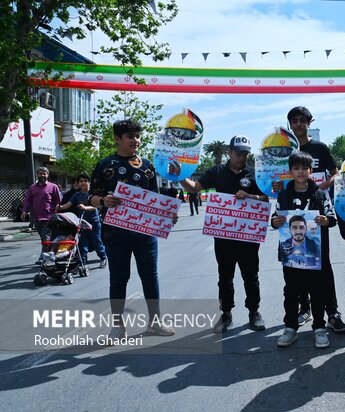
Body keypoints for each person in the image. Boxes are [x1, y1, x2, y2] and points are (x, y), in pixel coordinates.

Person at [89, 119, 177, 340]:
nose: (136, 140)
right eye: (130, 136)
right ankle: (118, 326)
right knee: (118, 278)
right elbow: (90, 197)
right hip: (114, 233)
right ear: (117, 139)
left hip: (145, 233)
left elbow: (154, 199)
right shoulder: (105, 165)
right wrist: (103, 201)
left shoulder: (148, 165)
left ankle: (155, 322)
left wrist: (167, 214)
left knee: (150, 276)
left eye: (138, 136)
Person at [172, 135, 269, 333]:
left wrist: (251, 196)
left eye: (245, 154)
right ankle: (226, 313)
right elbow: (194, 188)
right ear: (229, 152)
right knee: (225, 277)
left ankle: (254, 312)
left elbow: (266, 198)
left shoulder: (255, 174)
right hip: (224, 236)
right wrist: (180, 176)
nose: (242, 157)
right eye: (238, 153)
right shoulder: (217, 172)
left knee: (251, 276)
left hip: (248, 237)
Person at [284, 106, 345, 333]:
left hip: (317, 217)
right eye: (295, 120)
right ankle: (304, 308)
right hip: (293, 216)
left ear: (309, 122)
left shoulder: (320, 148)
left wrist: (318, 189)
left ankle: (332, 312)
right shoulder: (284, 148)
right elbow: (276, 180)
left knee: (323, 267)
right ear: (290, 123)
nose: (299, 124)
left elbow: (337, 174)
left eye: (303, 120)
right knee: (296, 262)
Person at [271, 151, 337, 348]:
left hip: (315, 254)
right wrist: (275, 221)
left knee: (317, 290)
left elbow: (332, 218)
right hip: (290, 254)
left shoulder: (320, 194)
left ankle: (319, 327)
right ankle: (290, 327)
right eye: (296, 168)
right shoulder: (283, 195)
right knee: (291, 291)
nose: (300, 172)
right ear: (290, 171)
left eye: (304, 168)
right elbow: (275, 219)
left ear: (310, 171)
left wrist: (326, 221)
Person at [57, 174, 107, 268]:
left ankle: (103, 258)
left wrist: (85, 207)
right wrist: (60, 207)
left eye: (85, 181)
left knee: (97, 242)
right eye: (81, 181)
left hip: (94, 222)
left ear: (89, 182)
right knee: (82, 243)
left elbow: (96, 206)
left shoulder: (93, 194)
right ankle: (83, 261)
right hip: (81, 223)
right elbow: (68, 204)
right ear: (78, 184)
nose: (83, 183)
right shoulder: (76, 195)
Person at [21, 166, 62, 264]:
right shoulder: (32, 188)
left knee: (45, 237)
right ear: (37, 175)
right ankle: (51, 252)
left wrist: (58, 208)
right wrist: (24, 211)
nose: (42, 175)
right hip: (37, 217)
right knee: (43, 237)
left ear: (47, 175)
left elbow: (59, 200)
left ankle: (43, 257)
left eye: (44, 173)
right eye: (40, 173)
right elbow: (27, 201)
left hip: (49, 216)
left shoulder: (53, 187)